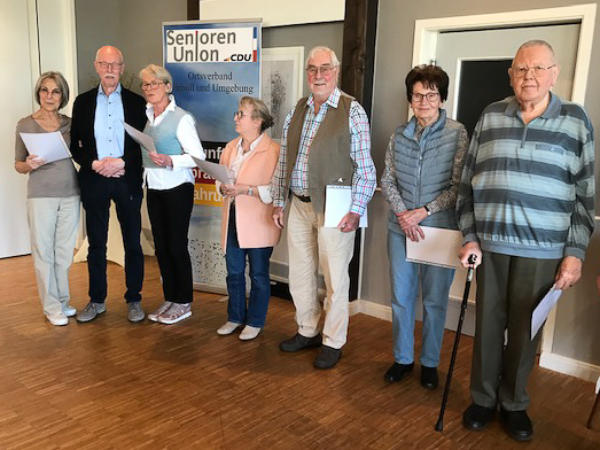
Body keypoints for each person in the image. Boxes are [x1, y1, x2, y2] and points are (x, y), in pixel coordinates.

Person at [457, 40, 595, 442]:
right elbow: (467, 183)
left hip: (544, 251)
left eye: (537, 69)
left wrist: (575, 253)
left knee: (525, 332)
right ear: (510, 75)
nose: (528, 76)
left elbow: (585, 196)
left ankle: (514, 403)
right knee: (486, 328)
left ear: (554, 74)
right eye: (520, 69)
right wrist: (470, 237)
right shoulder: (490, 115)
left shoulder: (575, 121)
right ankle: (483, 399)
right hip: (491, 247)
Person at [272, 46, 376, 369]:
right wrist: (279, 201)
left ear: (336, 71)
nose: (318, 75)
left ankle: (333, 340)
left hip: (336, 208)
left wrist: (356, 210)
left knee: (335, 279)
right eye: (312, 69)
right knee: (300, 275)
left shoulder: (352, 111)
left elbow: (365, 169)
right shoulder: (297, 110)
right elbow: (285, 159)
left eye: (325, 68)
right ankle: (307, 330)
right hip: (298, 204)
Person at [380, 65, 468, 389]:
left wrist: (424, 211)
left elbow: (458, 185)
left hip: (439, 229)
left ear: (442, 98)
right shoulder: (399, 135)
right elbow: (387, 179)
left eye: (431, 95)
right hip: (400, 228)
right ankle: (403, 358)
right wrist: (404, 214)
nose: (424, 102)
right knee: (401, 298)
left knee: (434, 301)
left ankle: (430, 363)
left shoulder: (457, 133)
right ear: (410, 99)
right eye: (418, 95)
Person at [70, 45, 147, 323]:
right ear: (97, 66)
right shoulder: (83, 102)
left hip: (127, 179)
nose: (110, 69)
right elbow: (75, 145)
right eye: (104, 64)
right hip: (95, 179)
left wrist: (122, 162)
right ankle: (97, 300)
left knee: (132, 242)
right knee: (96, 244)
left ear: (122, 68)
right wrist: (93, 163)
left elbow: (143, 145)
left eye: (115, 64)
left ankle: (134, 299)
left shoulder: (138, 103)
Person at [138, 64, 205, 324]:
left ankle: (184, 301)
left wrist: (171, 161)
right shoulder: (148, 116)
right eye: (145, 84)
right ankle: (171, 297)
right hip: (153, 187)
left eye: (155, 83)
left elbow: (197, 157)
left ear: (167, 86)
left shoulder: (182, 118)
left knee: (176, 246)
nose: (149, 88)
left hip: (177, 187)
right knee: (162, 247)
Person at [14, 71, 80, 326]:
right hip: (40, 195)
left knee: (63, 252)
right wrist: (28, 164)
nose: (49, 96)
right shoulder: (25, 124)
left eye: (55, 91)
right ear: (38, 93)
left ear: (62, 95)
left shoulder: (70, 124)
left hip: (71, 192)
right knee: (43, 252)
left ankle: (62, 300)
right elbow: (18, 164)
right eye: (45, 90)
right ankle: (51, 307)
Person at [216, 97, 281, 340]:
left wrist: (246, 190)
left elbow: (277, 190)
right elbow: (220, 178)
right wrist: (222, 187)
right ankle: (234, 317)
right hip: (232, 217)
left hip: (259, 222)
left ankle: (255, 321)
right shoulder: (230, 147)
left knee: (258, 275)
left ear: (257, 121)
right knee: (233, 272)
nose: (235, 117)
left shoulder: (273, 151)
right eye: (237, 113)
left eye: (241, 114)